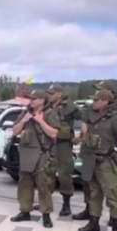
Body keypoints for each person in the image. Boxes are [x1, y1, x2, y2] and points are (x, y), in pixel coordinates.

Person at [77, 90, 117, 231]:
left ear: (105, 101)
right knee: (94, 193)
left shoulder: (115, 118)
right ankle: (94, 222)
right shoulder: (92, 116)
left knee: (112, 194)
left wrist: (116, 155)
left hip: (107, 161)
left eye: (96, 100)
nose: (93, 102)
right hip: (92, 160)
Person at [9, 90, 60, 228]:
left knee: (44, 185)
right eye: (30, 98)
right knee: (25, 184)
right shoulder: (25, 113)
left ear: (42, 101)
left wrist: (40, 121)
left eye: (34, 99)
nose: (31, 101)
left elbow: (54, 133)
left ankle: (46, 215)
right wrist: (25, 120)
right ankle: (25, 210)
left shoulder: (50, 114)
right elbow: (14, 131)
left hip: (42, 154)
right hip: (26, 153)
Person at [46, 85, 83, 217]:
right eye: (48, 93)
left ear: (60, 94)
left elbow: (85, 119)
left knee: (64, 174)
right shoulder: (47, 106)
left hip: (63, 144)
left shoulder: (70, 107)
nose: (49, 95)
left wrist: (81, 137)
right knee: (46, 172)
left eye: (52, 93)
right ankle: (46, 202)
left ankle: (66, 205)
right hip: (49, 143)